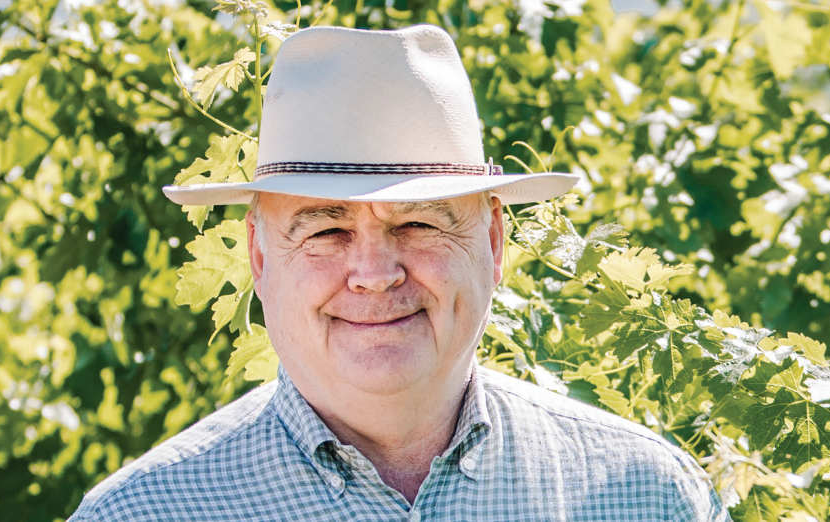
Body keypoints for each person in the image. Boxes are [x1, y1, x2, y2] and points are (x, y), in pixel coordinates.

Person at [70, 24, 729, 521]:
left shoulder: (648, 497)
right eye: (325, 231)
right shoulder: (142, 514)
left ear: (493, 241)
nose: (374, 272)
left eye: (418, 224)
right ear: (260, 258)